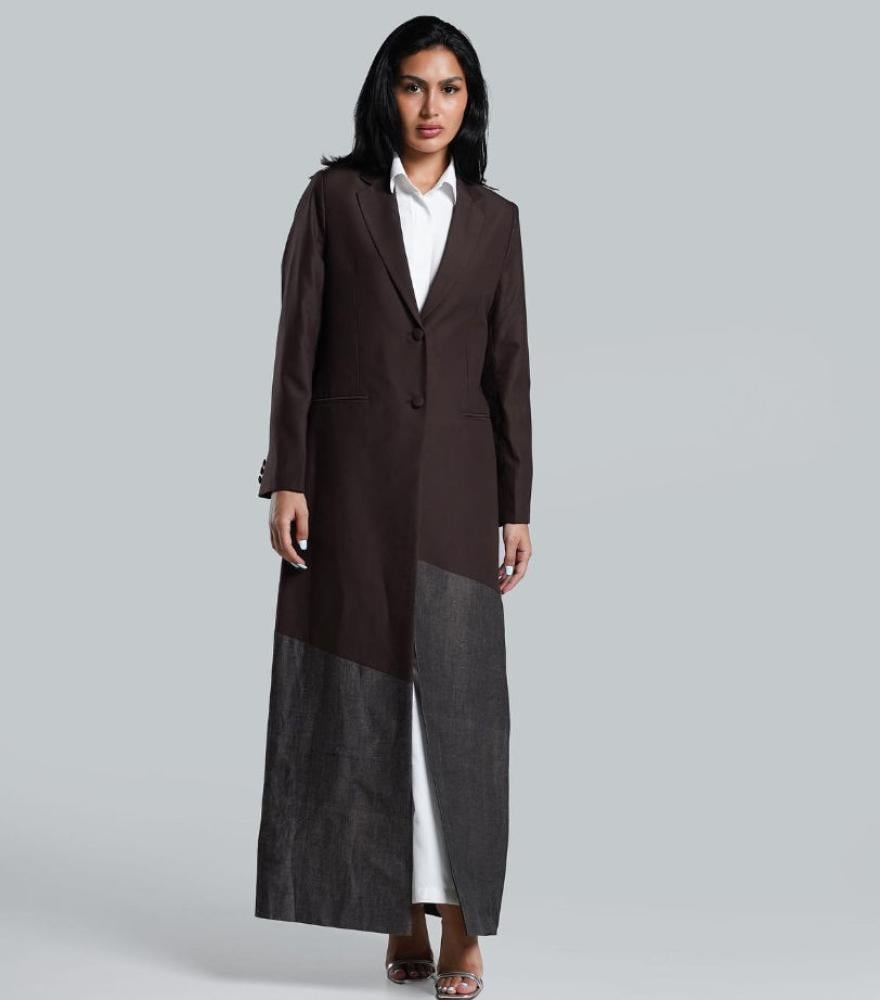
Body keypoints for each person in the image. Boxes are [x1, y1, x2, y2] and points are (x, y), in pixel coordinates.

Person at [254, 16, 533, 999]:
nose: (430, 107)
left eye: (449, 89)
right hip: (352, 489)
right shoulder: (335, 200)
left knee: (458, 708)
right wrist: (289, 476)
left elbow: (509, 367)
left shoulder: (495, 219)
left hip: (457, 492)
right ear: (388, 94)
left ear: (470, 103)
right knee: (360, 700)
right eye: (414, 86)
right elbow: (298, 344)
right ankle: (396, 910)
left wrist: (516, 501)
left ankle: (459, 922)